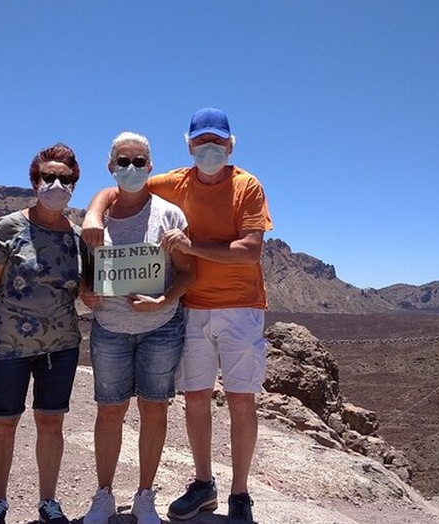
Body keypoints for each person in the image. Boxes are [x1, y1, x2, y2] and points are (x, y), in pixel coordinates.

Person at [82, 108, 272, 524]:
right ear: (188, 145)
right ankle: (204, 483)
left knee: (241, 401)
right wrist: (94, 212)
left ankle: (240, 494)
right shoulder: (171, 183)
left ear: (230, 145)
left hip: (240, 307)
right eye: (201, 143)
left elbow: (251, 250)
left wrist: (190, 247)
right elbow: (118, 190)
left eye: (217, 143)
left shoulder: (246, 186)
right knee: (195, 399)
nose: (209, 150)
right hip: (192, 311)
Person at [80, 132, 196, 524]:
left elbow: (186, 272)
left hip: (160, 329)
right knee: (109, 413)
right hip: (110, 328)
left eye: (140, 161)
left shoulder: (169, 215)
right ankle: (104, 495)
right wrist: (85, 292)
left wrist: (164, 301)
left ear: (151, 166)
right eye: (124, 162)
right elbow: (85, 273)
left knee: (153, 411)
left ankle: (145, 495)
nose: (132, 168)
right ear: (111, 167)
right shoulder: (96, 219)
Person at [0, 143, 85, 524]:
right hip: (6, 344)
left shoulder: (79, 236)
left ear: (74, 184)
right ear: (34, 181)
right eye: (48, 177)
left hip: (61, 346)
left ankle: (48, 502)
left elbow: (86, 289)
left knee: (51, 423)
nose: (56, 184)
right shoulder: (7, 229)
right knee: (3, 423)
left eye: (64, 179)